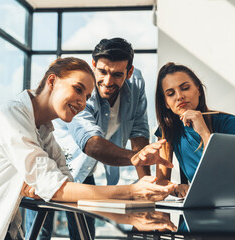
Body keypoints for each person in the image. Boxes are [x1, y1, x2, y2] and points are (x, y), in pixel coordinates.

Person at [0, 57, 175, 240]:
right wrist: (132, 192)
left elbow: (68, 189)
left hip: (5, 229)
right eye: (78, 89)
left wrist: (130, 213)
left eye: (87, 97)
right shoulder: (10, 118)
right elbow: (57, 189)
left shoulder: (44, 133)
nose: (82, 102)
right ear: (52, 81)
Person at [26, 38, 163, 239]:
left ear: (129, 72)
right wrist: (136, 158)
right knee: (39, 233)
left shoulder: (136, 85)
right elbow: (92, 145)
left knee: (85, 234)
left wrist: (147, 192)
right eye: (103, 72)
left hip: (85, 169)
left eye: (117, 75)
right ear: (93, 66)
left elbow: (139, 133)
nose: (108, 81)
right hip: (51, 164)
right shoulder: (82, 93)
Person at [154, 62, 235, 201]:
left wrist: (205, 134)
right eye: (170, 94)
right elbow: (161, 182)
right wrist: (175, 187)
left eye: (185, 88)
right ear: (166, 103)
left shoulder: (229, 123)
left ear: (199, 90)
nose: (179, 96)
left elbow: (232, 176)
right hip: (208, 206)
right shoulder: (167, 131)